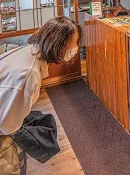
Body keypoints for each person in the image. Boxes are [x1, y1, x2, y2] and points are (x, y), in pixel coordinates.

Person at [0, 16, 81, 174]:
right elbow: (7, 125)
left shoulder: (28, 52)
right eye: (74, 42)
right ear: (60, 45)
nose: (76, 47)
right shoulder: (29, 74)